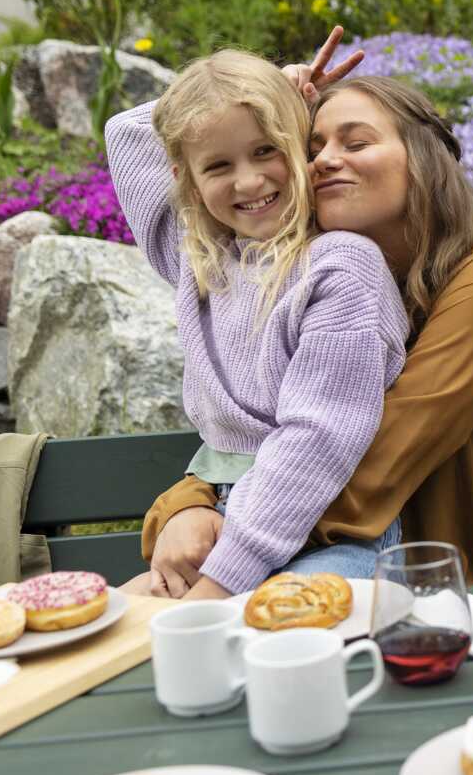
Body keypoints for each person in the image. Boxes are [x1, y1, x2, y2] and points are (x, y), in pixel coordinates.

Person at [119, 34, 473, 593]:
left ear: (422, 157)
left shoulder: (472, 282)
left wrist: (210, 534)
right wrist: (259, 97)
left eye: (355, 143)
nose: (327, 158)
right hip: (270, 537)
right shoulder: (261, 268)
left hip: (417, 577)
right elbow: (131, 137)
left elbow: (357, 461)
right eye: (312, 144)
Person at [106, 48, 410, 598]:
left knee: (251, 631)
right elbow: (126, 133)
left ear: (299, 146)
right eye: (218, 165)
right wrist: (273, 86)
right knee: (117, 633)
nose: (247, 182)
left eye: (266, 150)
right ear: (186, 179)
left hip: (332, 535)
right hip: (215, 521)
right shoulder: (198, 258)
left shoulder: (341, 268)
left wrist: (220, 582)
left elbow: (315, 441)